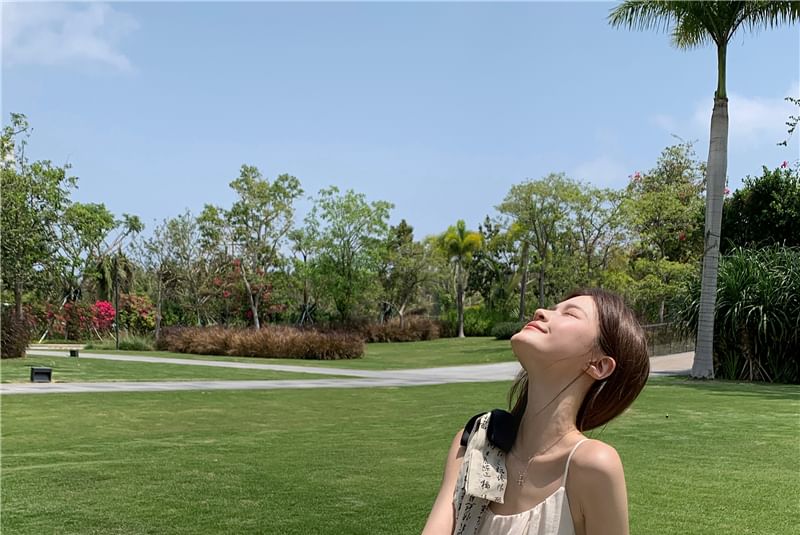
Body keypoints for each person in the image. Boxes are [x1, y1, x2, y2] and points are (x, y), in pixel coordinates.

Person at [422, 288, 650, 535]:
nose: (540, 311)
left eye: (570, 314)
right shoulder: (475, 442)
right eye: (553, 308)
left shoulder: (593, 465)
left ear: (599, 364)